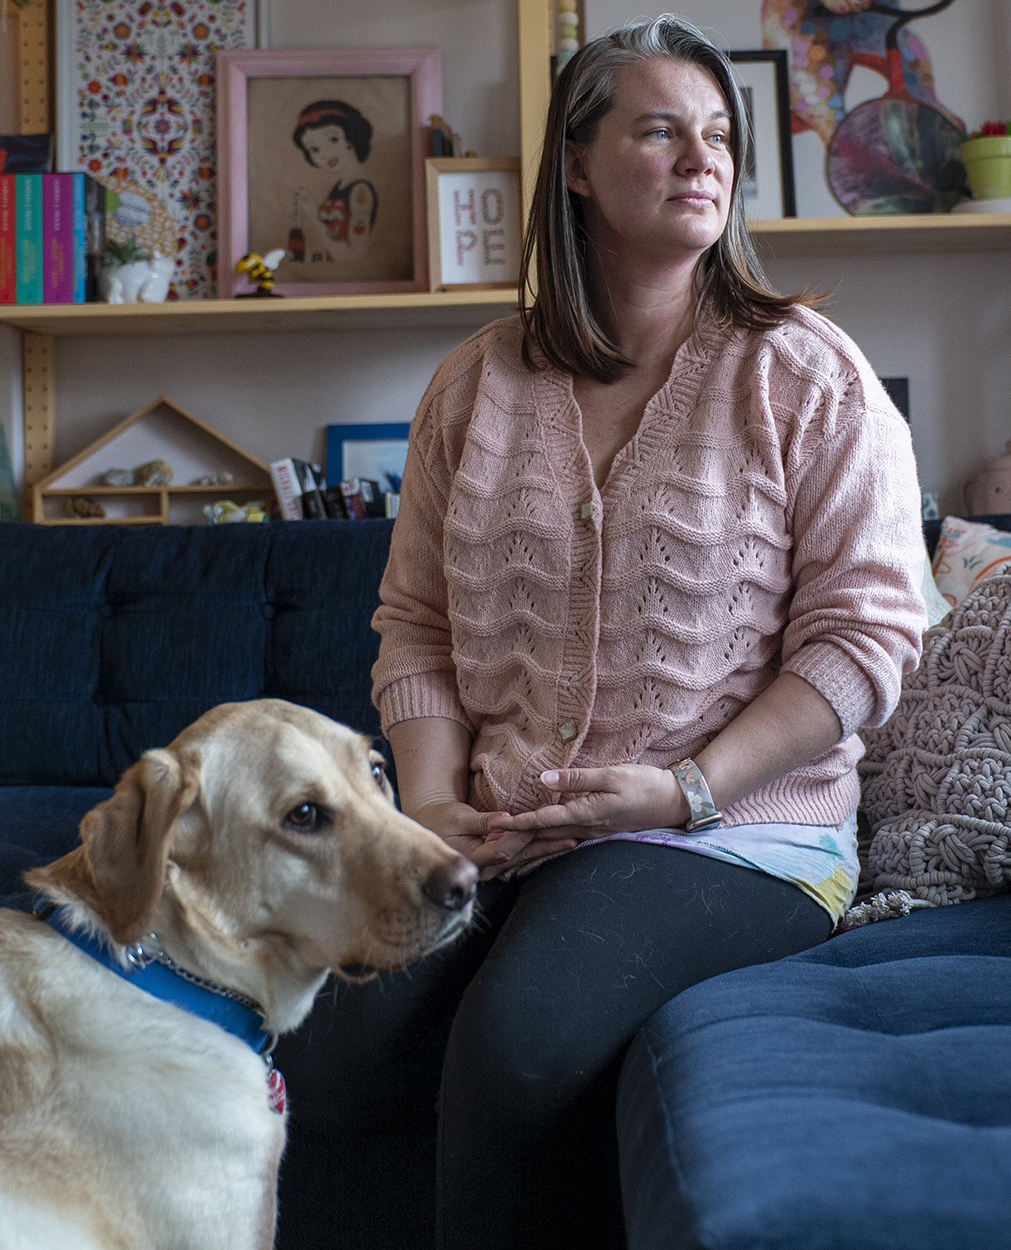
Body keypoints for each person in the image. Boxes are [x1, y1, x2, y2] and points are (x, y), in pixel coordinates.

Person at [361, 15, 925, 1249]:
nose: (700, 158)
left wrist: (681, 789)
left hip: (739, 840)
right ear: (575, 161)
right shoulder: (474, 384)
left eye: (718, 135)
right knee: (324, 1017)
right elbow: (413, 623)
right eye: (659, 130)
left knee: (515, 1043)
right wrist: (429, 798)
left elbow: (867, 639)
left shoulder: (803, 373)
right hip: (504, 824)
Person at [291, 99, 379, 260]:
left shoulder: (360, 191)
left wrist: (313, 215)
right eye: (314, 149)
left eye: (333, 139)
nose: (324, 154)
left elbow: (354, 256)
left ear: (351, 136)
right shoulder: (339, 186)